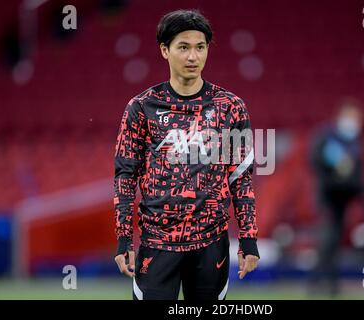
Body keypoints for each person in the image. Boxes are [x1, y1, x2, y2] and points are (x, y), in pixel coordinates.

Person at [113, 9, 259, 300]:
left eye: (200, 47)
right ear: (164, 51)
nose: (193, 57)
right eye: (183, 47)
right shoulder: (141, 107)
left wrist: (249, 238)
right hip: (157, 243)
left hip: (211, 243)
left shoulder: (231, 107)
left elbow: (241, 178)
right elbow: (125, 176)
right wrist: (123, 238)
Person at [309, 100, 364, 295]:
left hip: (342, 200)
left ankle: (327, 283)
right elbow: (314, 161)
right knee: (327, 240)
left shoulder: (354, 142)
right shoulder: (326, 136)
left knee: (334, 242)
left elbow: (357, 173)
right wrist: (336, 168)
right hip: (327, 197)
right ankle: (321, 282)